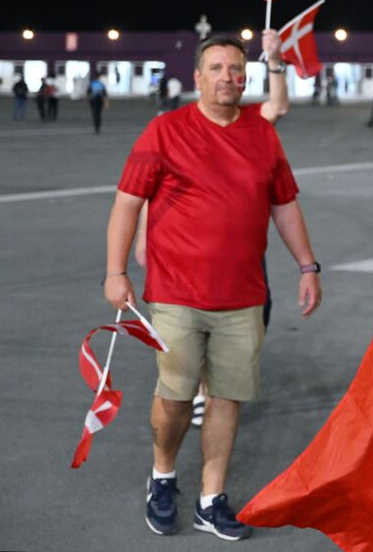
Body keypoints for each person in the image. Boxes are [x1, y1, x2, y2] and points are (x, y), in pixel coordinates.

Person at [104, 32, 320, 540]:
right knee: (177, 398)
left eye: (236, 69)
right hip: (177, 293)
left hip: (243, 297)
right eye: (218, 68)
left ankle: (211, 498)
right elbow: (127, 202)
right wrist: (116, 272)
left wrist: (308, 266)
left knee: (227, 398)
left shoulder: (262, 134)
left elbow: (284, 205)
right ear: (197, 77)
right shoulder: (165, 130)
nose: (229, 77)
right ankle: (162, 477)